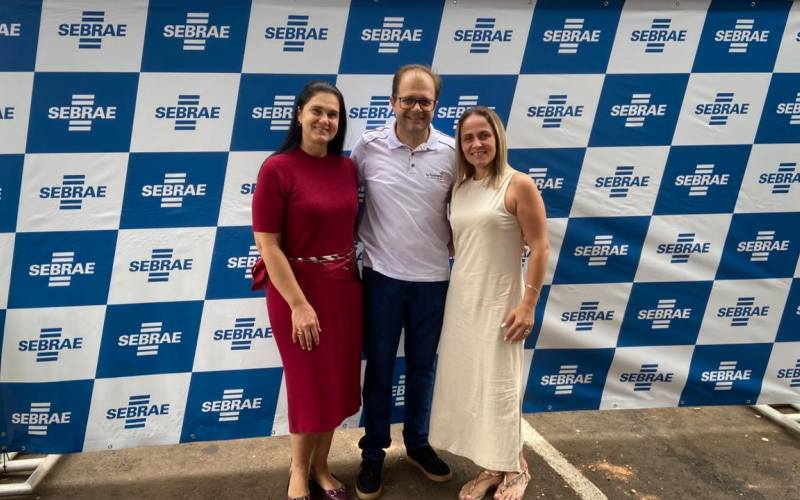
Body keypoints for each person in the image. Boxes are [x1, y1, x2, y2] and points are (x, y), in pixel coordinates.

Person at [429, 106, 549, 500]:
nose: (476, 144)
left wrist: (528, 303)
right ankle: (491, 464)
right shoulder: (461, 189)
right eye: (468, 138)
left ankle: (516, 466)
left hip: (502, 302)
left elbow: (540, 247)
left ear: (497, 138)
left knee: (500, 384)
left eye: (484, 135)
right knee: (473, 385)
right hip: (463, 301)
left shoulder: (518, 185)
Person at [351, 64, 456, 500]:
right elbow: (340, 199)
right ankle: (373, 451)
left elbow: (471, 207)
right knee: (378, 369)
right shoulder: (367, 146)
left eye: (424, 101)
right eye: (408, 99)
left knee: (422, 368)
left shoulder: (452, 152)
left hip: (433, 280)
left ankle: (417, 443)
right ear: (393, 101)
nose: (416, 108)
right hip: (381, 278)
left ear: (436, 104)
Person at [251, 80, 359, 500]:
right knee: (308, 384)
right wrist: (299, 304)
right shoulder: (277, 169)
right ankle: (298, 472)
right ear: (299, 114)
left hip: (344, 290)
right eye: (317, 110)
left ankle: (321, 467)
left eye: (333, 114)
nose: (325, 120)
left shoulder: (346, 167)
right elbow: (268, 245)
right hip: (296, 292)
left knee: (334, 383)